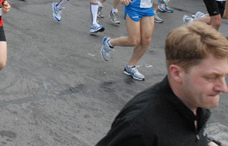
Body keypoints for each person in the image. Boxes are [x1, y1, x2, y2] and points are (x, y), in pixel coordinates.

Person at [97, 21, 228, 146]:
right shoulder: (141, 128)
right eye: (211, 77)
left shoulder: (195, 100)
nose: (223, 87)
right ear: (177, 73)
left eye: (224, 76)